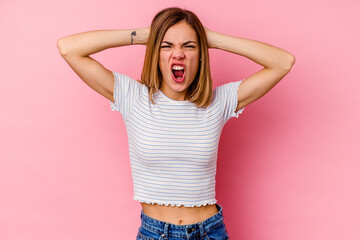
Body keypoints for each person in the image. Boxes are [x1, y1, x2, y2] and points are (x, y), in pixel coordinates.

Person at [57, 7, 295, 240]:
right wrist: (144, 35)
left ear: (201, 55)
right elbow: (68, 48)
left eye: (189, 46)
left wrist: (211, 38)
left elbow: (283, 62)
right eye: (167, 46)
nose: (178, 53)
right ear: (155, 54)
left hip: (209, 232)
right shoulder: (132, 97)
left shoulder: (217, 103)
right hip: (154, 233)